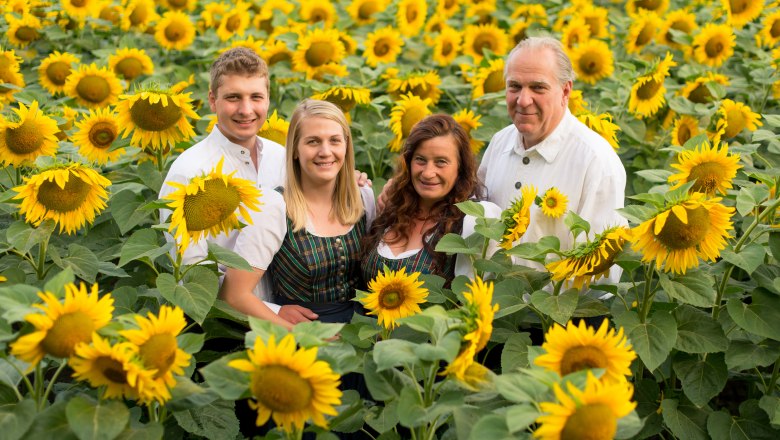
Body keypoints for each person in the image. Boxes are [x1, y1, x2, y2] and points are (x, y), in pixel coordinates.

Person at [160, 48, 367, 324]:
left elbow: (319, 195)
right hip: (222, 325)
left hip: (292, 309)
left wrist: (345, 179)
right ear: (212, 100)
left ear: (267, 99)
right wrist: (273, 310)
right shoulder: (189, 174)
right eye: (233, 97)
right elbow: (192, 277)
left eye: (256, 97)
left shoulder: (281, 157)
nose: (246, 110)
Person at [477, 36, 627, 282]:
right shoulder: (499, 143)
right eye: (514, 86)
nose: (523, 100)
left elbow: (601, 272)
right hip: (494, 312)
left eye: (538, 87)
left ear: (565, 91)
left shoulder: (596, 161)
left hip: (557, 317)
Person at [220, 99, 376, 327]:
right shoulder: (274, 207)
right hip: (303, 335)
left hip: (362, 331)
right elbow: (233, 295)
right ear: (294, 149)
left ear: (346, 146)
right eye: (313, 142)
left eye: (335, 141)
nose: (325, 152)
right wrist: (296, 333)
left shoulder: (363, 199)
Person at [362, 114, 501, 284]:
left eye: (441, 162)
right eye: (420, 160)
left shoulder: (471, 222)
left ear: (460, 167)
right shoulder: (391, 208)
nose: (428, 173)